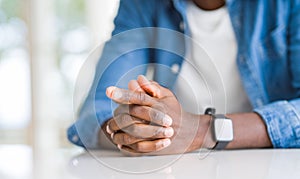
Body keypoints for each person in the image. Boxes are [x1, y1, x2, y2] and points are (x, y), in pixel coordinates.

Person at [67, 0, 300, 155]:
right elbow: (94, 111)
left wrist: (202, 130)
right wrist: (134, 130)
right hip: (177, 176)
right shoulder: (141, 5)